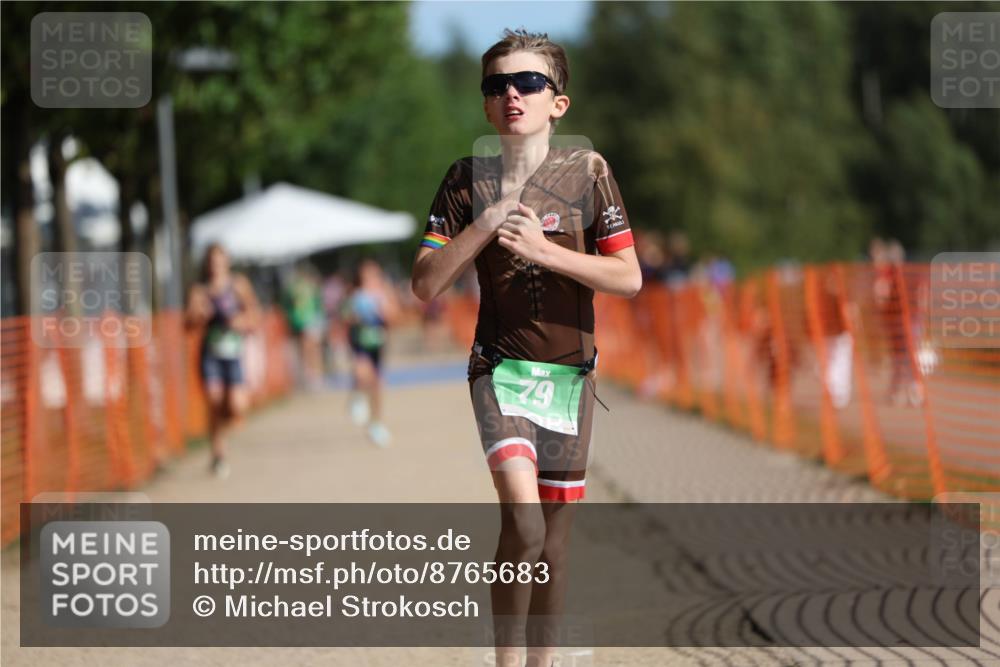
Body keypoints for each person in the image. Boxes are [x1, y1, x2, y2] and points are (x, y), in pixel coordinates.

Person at [411, 29, 641, 667]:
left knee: (556, 545)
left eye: (528, 82)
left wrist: (546, 252)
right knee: (527, 525)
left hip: (571, 376)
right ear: (486, 106)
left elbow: (628, 278)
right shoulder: (464, 180)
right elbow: (425, 284)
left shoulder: (589, 173)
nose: (512, 94)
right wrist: (484, 225)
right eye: (496, 86)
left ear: (557, 103)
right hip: (500, 369)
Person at [185, 243, 261, 478]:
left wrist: (242, 322)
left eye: (219, 260)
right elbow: (187, 325)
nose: (215, 265)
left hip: (235, 354)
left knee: (236, 407)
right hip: (211, 354)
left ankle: (223, 433)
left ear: (227, 261)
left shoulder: (238, 285)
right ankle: (218, 454)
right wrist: (199, 316)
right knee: (214, 401)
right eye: (211, 260)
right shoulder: (199, 291)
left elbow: (255, 317)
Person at [342, 260, 400, 447]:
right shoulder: (355, 295)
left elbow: (394, 317)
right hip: (360, 343)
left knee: (376, 385)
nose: (370, 279)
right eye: (366, 275)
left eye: (374, 274)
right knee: (361, 372)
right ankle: (357, 398)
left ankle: (376, 423)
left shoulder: (384, 293)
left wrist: (382, 309)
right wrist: (354, 316)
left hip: (378, 344)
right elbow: (346, 317)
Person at [283, 265, 326, 389]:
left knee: (310, 349)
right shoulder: (298, 288)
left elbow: (317, 304)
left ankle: (314, 376)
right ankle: (311, 376)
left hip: (308, 321)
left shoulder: (307, 287)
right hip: (302, 322)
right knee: (307, 350)